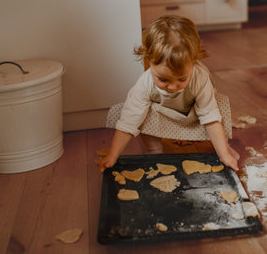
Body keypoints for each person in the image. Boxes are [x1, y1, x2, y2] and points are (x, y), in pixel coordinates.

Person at [97, 15, 240, 173]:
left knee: (218, 108)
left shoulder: (200, 77)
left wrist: (224, 154)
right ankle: (153, 153)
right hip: (163, 114)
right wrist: (112, 156)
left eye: (182, 79)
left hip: (194, 115)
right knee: (141, 113)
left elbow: (210, 118)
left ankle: (224, 148)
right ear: (148, 61)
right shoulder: (145, 84)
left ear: (193, 62)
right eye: (163, 79)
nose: (172, 87)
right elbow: (128, 121)